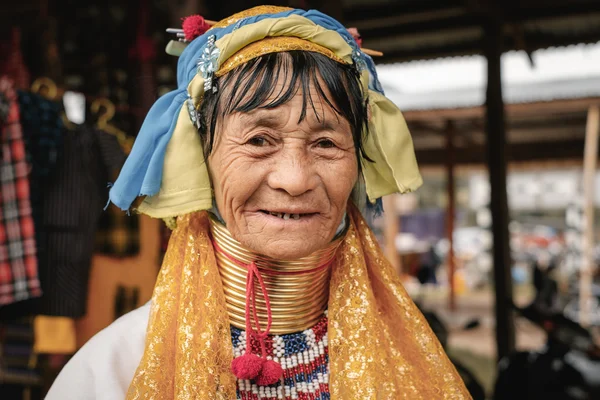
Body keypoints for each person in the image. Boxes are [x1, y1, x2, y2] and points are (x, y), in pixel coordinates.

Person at [46, 6, 470, 399]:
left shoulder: (410, 358)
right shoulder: (112, 372)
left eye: (326, 143)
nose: (295, 179)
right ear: (198, 158)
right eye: (259, 140)